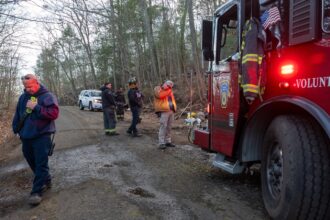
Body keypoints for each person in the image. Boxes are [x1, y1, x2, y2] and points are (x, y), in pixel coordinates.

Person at [12, 73, 59, 206]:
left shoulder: (47, 96)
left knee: (41, 163)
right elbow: (18, 115)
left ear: (37, 82)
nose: (28, 89)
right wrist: (16, 130)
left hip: (42, 136)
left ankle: (37, 191)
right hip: (26, 136)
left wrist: (36, 107)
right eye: (26, 87)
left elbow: (54, 114)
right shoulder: (22, 98)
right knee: (31, 160)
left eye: (30, 86)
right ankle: (46, 178)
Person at [154, 80, 177, 149]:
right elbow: (160, 95)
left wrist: (174, 108)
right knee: (163, 126)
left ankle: (168, 141)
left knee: (169, 127)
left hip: (171, 110)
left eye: (171, 86)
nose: (170, 87)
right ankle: (161, 143)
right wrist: (168, 90)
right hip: (164, 111)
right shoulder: (157, 88)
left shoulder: (169, 90)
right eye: (169, 86)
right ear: (165, 84)